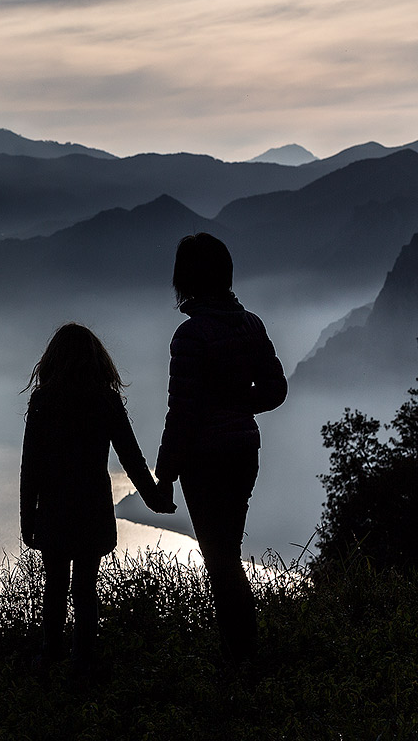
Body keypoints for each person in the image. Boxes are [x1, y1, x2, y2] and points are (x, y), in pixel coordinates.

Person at [154, 233, 287, 664]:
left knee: (220, 557)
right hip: (245, 448)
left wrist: (165, 473)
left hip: (205, 456)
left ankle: (241, 655)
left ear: (185, 279)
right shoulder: (251, 324)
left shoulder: (190, 336)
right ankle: (240, 650)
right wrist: (240, 403)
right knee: (226, 550)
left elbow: (183, 412)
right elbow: (275, 388)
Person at [20, 322, 175, 679]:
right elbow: (131, 457)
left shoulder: (43, 401)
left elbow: (31, 467)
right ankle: (82, 662)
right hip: (92, 509)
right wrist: (154, 499)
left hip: (55, 510)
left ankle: (49, 656)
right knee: (85, 588)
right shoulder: (105, 400)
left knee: (54, 585)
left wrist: (28, 521)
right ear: (96, 360)